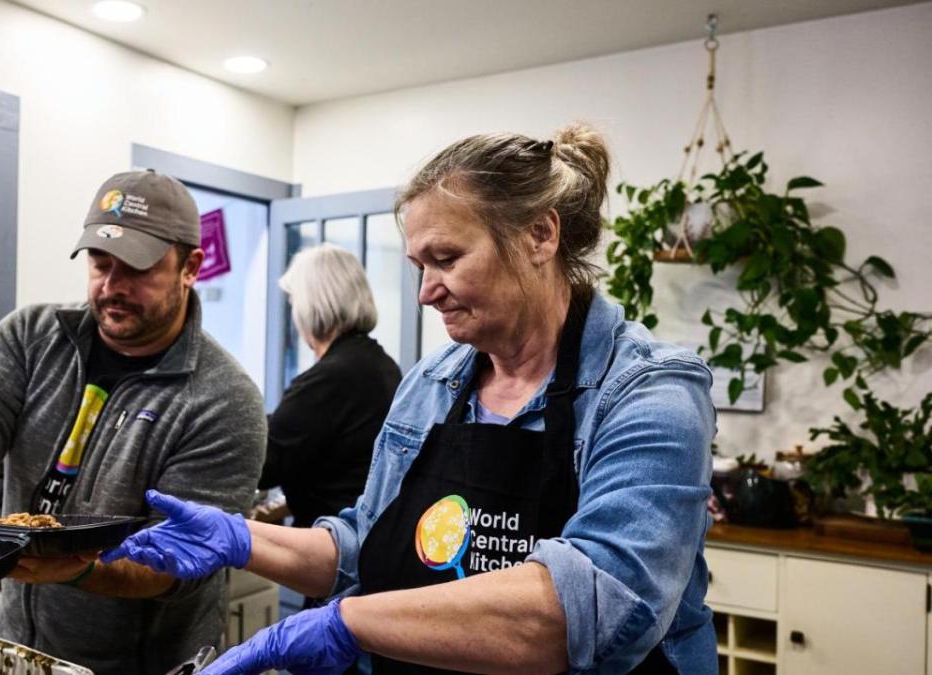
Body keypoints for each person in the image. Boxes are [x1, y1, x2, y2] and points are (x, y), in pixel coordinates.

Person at [104, 125, 718, 674]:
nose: (426, 292)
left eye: (446, 259)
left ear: (539, 235)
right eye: (419, 266)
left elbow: (591, 611)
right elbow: (367, 546)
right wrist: (242, 540)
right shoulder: (433, 383)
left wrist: (347, 623)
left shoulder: (649, 391)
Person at [0, 170, 266, 675]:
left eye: (137, 269)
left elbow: (184, 558)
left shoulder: (224, 399)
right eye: (100, 264)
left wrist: (77, 569)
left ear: (190, 267)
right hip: (23, 654)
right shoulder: (32, 337)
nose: (112, 286)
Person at [262, 243, 401, 529]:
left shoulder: (333, 377)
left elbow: (264, 464)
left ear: (310, 305)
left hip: (330, 540)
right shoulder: (377, 363)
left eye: (294, 302)